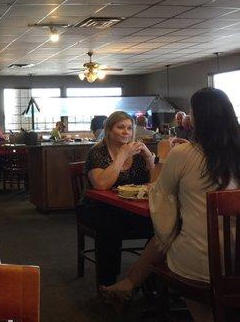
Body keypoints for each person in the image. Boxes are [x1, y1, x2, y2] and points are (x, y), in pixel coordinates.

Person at [101, 88, 239, 321]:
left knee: (169, 235)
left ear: (197, 118)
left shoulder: (184, 154)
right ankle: (127, 285)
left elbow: (158, 196)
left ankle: (201, 314)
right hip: (237, 258)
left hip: (204, 263)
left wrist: (163, 158)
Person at [76, 111, 156, 286]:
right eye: (120, 127)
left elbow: (156, 183)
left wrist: (149, 157)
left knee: (162, 227)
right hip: (96, 207)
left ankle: (148, 283)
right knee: (109, 228)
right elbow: (102, 184)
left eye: (129, 128)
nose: (126, 132)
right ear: (109, 130)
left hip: (130, 207)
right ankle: (108, 284)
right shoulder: (97, 152)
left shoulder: (138, 154)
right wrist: (122, 156)